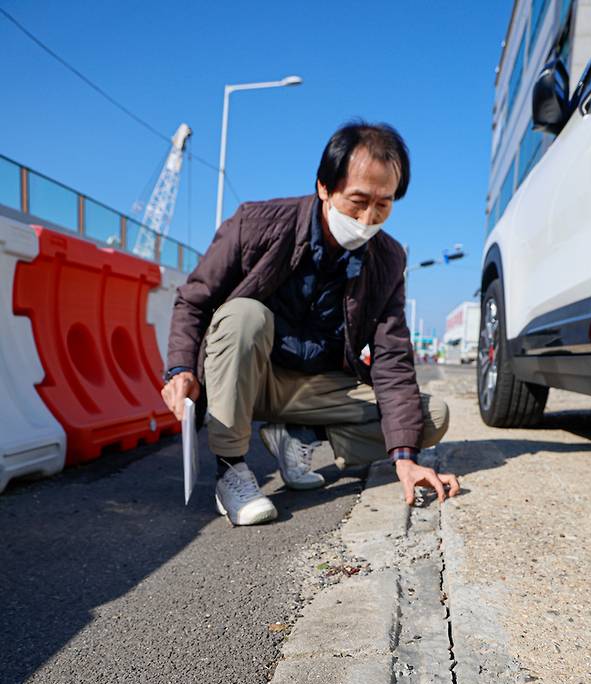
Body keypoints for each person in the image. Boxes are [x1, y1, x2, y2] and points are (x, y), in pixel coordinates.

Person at [161, 121, 459, 525]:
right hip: (246, 380)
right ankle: (231, 469)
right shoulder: (256, 224)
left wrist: (404, 461)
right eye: (357, 201)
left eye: (383, 205)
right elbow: (194, 300)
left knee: (431, 416)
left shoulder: (388, 259)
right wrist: (180, 369)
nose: (368, 218)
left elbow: (392, 359)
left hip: (315, 391)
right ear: (324, 187)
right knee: (244, 315)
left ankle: (298, 436)